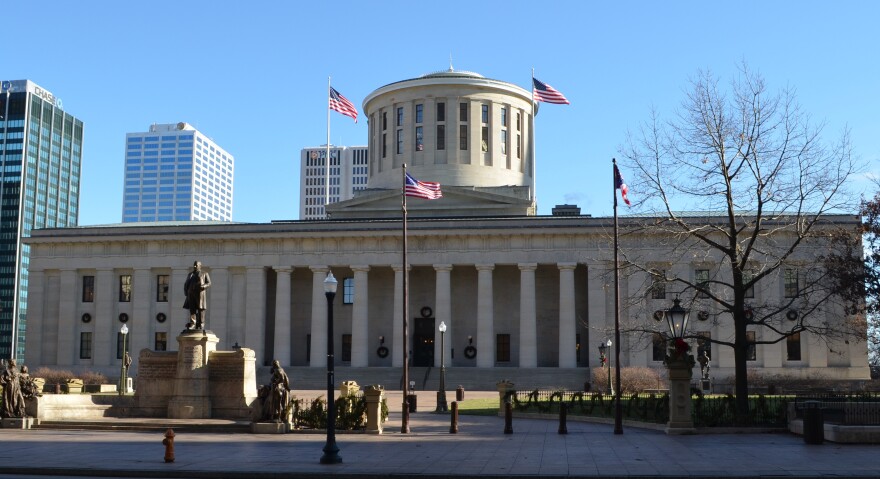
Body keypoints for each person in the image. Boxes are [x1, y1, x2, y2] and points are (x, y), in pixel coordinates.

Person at [183, 261, 211, 330]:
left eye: (196, 265)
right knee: (192, 309)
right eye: (194, 265)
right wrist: (186, 292)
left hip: (200, 294)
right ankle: (193, 324)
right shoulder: (190, 274)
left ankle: (201, 324)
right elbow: (186, 283)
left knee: (201, 309)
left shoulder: (204, 273)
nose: (195, 266)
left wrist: (203, 286)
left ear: (200, 266)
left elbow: (209, 283)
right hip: (191, 294)